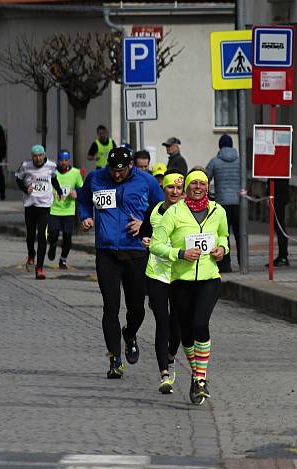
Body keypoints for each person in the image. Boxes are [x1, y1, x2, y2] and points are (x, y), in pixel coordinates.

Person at [78, 147, 163, 379]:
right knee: (110, 306)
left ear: (131, 167)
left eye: (121, 171)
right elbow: (83, 200)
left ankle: (130, 333)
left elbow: (163, 210)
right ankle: (115, 358)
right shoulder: (96, 178)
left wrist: (144, 225)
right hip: (106, 252)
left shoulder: (146, 182)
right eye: (113, 171)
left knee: (137, 307)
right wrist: (85, 216)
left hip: (135, 252)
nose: (116, 175)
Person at [149, 169, 229, 405]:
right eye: (193, 183)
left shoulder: (218, 211)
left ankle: (200, 379)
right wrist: (180, 253)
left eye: (202, 184)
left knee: (200, 324)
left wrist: (222, 249)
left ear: (207, 187)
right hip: (181, 281)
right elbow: (156, 245)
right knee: (185, 333)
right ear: (187, 188)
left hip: (209, 279)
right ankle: (196, 374)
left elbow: (224, 236)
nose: (197, 187)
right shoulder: (174, 212)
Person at [139, 169, 185, 393]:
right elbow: (144, 232)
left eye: (178, 188)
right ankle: (164, 375)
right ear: (163, 189)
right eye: (170, 187)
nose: (174, 191)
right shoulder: (154, 210)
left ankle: (171, 355)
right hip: (156, 273)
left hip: (179, 274)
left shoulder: (187, 213)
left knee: (176, 327)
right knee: (162, 323)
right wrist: (144, 238)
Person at [15, 144, 62, 280]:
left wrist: (58, 190)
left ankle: (40, 268)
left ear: (44, 155)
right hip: (30, 205)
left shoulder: (51, 166)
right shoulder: (25, 165)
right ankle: (31, 254)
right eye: (35, 156)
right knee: (30, 235)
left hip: (45, 206)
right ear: (32, 156)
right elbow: (18, 179)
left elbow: (53, 178)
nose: (38, 158)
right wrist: (25, 189)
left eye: (40, 155)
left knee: (42, 235)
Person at [206, 134, 241, 272]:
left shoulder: (214, 162)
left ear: (220, 146)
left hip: (222, 203)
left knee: (223, 235)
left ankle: (225, 265)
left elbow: (205, 178)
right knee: (240, 235)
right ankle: (243, 262)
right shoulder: (240, 161)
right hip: (238, 203)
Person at [48, 150, 83, 270]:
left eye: (66, 160)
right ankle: (52, 246)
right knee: (53, 235)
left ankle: (63, 260)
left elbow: (81, 189)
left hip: (68, 210)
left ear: (69, 160)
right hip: (54, 209)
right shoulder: (52, 173)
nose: (63, 162)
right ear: (58, 160)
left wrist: (76, 193)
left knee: (67, 237)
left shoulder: (75, 173)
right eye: (61, 160)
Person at [269, 178, 290, 266]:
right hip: (277, 195)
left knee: (279, 226)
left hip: (279, 196)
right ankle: (282, 255)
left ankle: (283, 256)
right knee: (278, 226)